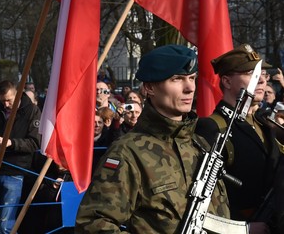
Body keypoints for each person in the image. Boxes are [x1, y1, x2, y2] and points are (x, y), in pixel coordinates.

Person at [76, 45, 233, 232]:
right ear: (150, 87)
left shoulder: (200, 145)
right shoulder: (128, 152)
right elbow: (93, 224)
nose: (190, 88)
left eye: (192, 78)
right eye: (177, 79)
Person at [195, 43, 282, 221]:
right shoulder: (213, 127)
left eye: (263, 74)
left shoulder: (265, 122)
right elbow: (205, 195)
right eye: (251, 73)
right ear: (226, 81)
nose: (262, 80)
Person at [0, 80, 41, 234]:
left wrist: (11, 143)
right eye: (2, 100)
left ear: (17, 94)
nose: (6, 104)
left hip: (16, 170)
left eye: (9, 100)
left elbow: (35, 143)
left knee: (6, 226)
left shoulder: (31, 111)